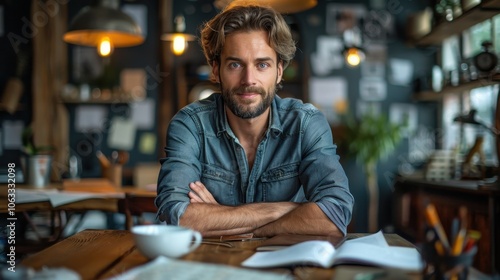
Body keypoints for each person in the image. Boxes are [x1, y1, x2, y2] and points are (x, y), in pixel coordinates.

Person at [155, 4, 354, 238]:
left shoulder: (306, 124)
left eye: (262, 65)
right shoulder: (190, 125)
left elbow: (336, 214)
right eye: (235, 64)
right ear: (216, 70)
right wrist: (285, 211)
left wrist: (226, 223)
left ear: (279, 71)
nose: (249, 79)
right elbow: (177, 217)